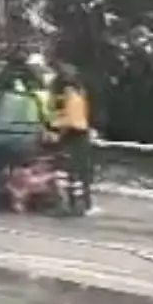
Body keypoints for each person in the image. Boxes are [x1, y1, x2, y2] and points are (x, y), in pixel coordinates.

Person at [51, 64, 93, 214]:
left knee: (64, 172)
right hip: (78, 134)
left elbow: (67, 118)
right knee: (75, 173)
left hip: (70, 134)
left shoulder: (66, 93)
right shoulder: (79, 91)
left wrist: (57, 133)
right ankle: (79, 204)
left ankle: (66, 204)